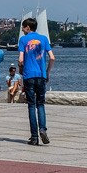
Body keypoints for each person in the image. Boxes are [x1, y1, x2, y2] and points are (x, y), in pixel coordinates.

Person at [18, 17, 55, 146]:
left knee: (31, 105)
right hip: (41, 75)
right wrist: (48, 72)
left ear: (28, 27)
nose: (22, 30)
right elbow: (52, 57)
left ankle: (34, 137)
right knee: (41, 104)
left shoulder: (23, 40)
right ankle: (43, 129)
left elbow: (21, 60)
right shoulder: (44, 39)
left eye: (23, 27)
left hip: (29, 75)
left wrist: (21, 70)